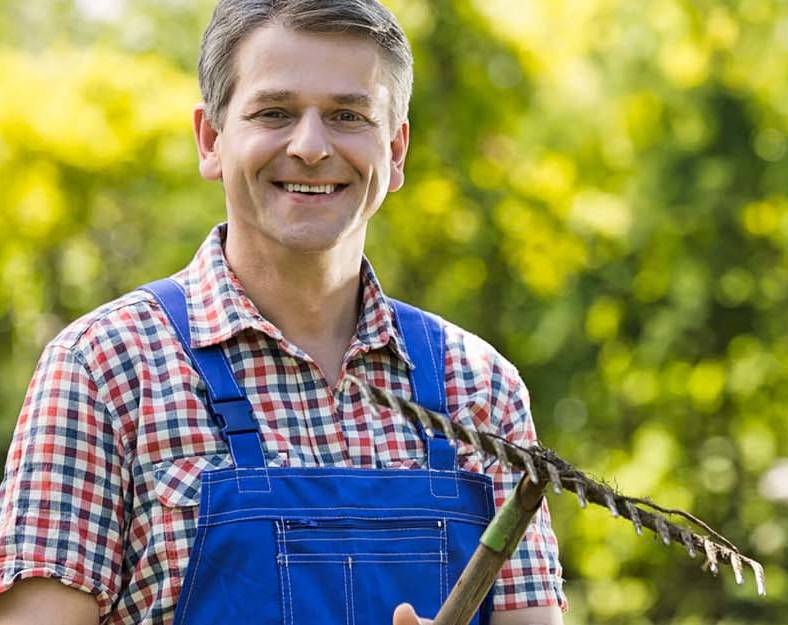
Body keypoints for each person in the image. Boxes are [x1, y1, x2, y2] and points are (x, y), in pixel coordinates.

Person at [0, 1, 566, 624]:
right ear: (211, 140)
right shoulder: (105, 370)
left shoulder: (479, 388)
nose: (311, 147)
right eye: (276, 113)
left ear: (396, 148)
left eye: (348, 116)